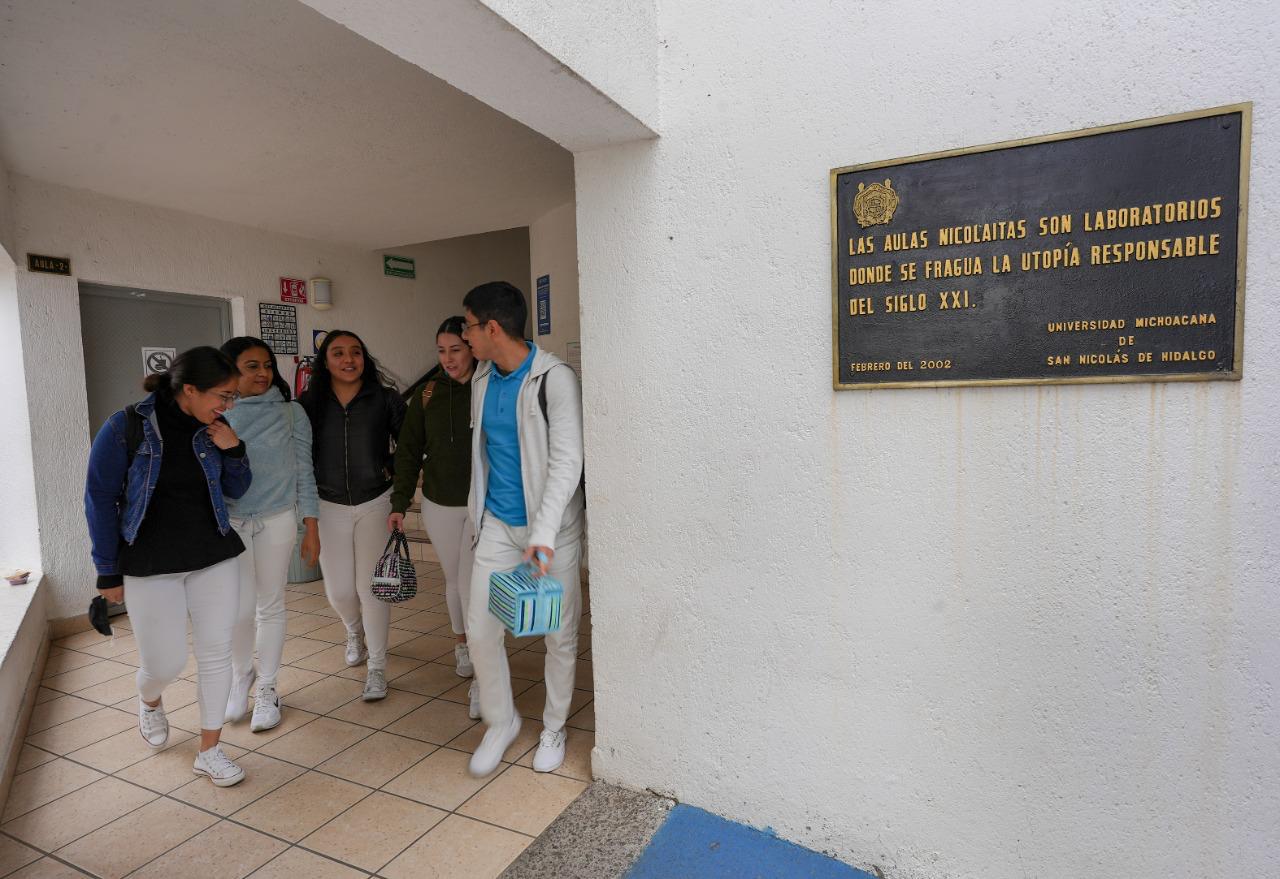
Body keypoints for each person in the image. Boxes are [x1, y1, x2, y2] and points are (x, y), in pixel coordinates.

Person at [84, 346, 252, 787]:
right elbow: (99, 499)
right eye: (223, 395)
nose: (228, 405)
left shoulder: (216, 429)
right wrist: (107, 569)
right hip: (149, 560)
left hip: (213, 554)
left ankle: (210, 751)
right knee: (166, 662)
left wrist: (234, 449)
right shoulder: (125, 426)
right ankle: (150, 699)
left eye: (233, 397)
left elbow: (238, 489)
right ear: (189, 389)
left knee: (216, 652)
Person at [460, 281, 586, 777]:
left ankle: (553, 726)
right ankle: (502, 721)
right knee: (480, 629)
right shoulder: (482, 378)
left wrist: (544, 533)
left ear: (492, 327)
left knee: (559, 634)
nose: (465, 336)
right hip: (497, 525)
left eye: (469, 326)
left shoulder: (554, 379)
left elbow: (567, 462)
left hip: (551, 531)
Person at [220, 336, 320, 732]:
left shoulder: (291, 413)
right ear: (231, 371)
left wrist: (311, 526)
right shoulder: (216, 414)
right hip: (230, 523)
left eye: (267, 365)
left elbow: (304, 472)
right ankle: (241, 675)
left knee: (270, 604)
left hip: (277, 520)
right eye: (252, 366)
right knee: (237, 608)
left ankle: (268, 687)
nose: (263, 373)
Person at [299, 330, 406, 701]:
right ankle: (353, 629)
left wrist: (389, 466)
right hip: (327, 504)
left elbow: (409, 444)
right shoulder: (309, 403)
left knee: (372, 588)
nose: (349, 360)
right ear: (325, 361)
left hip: (375, 501)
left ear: (364, 358)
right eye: (339, 353)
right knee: (340, 591)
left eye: (356, 352)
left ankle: (377, 666)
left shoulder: (385, 398)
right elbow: (301, 455)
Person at [388, 317, 481, 719]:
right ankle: (462, 644)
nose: (448, 359)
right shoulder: (427, 395)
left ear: (472, 347)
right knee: (454, 580)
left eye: (455, 350)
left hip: (482, 505)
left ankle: (483, 669)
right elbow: (408, 451)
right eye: (441, 351)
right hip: (440, 503)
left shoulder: (489, 386)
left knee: (471, 584)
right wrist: (400, 502)